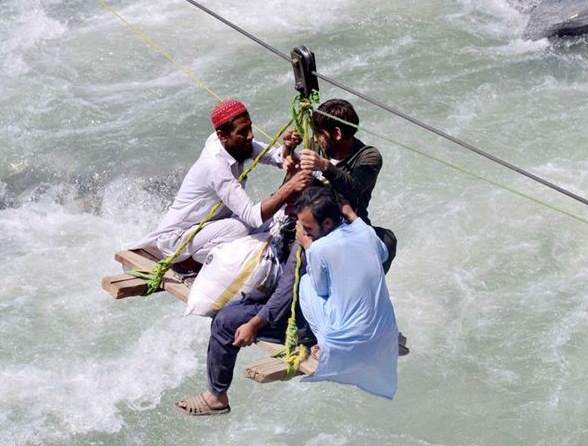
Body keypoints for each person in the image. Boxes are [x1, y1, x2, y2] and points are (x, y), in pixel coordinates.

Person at [131, 99, 313, 273]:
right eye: (243, 132)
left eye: (250, 128)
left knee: (276, 216)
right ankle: (188, 263)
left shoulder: (235, 142)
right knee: (239, 229)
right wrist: (289, 188)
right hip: (178, 239)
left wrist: (287, 147)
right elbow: (252, 216)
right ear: (222, 136)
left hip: (211, 226)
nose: (250, 136)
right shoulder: (215, 166)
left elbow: (274, 156)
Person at [173, 200, 316, 416]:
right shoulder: (317, 232)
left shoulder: (308, 242)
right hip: (303, 305)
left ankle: (216, 398)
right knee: (237, 307)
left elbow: (287, 291)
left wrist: (254, 324)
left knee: (225, 322)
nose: (289, 212)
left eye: (297, 214)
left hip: (310, 321)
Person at [295, 186, 399, 400]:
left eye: (308, 227)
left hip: (343, 348)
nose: (305, 232)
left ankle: (324, 345)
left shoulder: (318, 248)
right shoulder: (365, 231)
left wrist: (308, 247)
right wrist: (351, 213)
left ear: (327, 223)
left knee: (306, 282)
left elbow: (320, 290)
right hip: (385, 339)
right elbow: (382, 254)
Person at [284, 98, 397, 272]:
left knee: (388, 240)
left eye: (319, 132)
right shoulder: (314, 145)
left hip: (348, 225)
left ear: (336, 134)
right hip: (314, 224)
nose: (315, 137)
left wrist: (325, 166)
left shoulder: (369, 157)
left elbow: (354, 189)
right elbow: (292, 186)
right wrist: (288, 153)